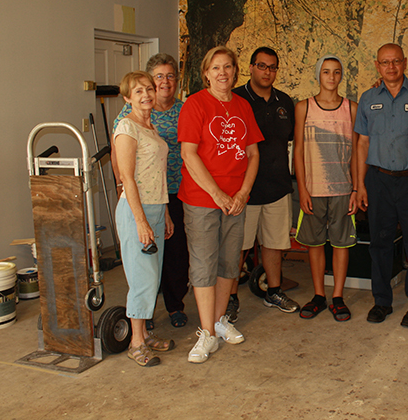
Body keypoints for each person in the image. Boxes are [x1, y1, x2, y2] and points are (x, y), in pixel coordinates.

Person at [178, 46, 263, 363]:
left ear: (235, 71)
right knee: (203, 264)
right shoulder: (195, 104)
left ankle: (219, 320)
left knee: (229, 263)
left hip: (236, 200)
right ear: (206, 73)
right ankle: (206, 334)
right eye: (215, 67)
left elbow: (253, 154)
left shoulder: (243, 106)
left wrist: (241, 194)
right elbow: (189, 154)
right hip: (203, 199)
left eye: (227, 67)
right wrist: (218, 195)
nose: (222, 73)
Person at [354, 43, 408, 328]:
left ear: (404, 62)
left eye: (396, 61)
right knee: (379, 243)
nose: (391, 67)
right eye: (384, 62)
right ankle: (382, 301)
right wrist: (359, 185)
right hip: (377, 181)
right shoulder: (367, 99)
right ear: (377, 66)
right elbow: (362, 143)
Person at [112, 53, 189, 330]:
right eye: (158, 77)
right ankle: (140, 329)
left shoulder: (170, 117)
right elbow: (122, 162)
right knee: (143, 268)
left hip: (170, 196)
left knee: (169, 259)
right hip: (141, 200)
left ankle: (170, 309)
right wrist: (123, 187)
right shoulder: (129, 119)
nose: (163, 82)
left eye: (170, 76)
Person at [229, 46, 299, 315]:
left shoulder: (284, 101)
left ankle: (274, 292)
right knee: (238, 247)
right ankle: (231, 296)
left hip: (278, 186)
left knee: (274, 243)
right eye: (262, 66)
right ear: (250, 67)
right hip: (243, 190)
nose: (267, 72)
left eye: (272, 67)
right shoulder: (236, 99)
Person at [114, 70, 175, 366]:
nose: (146, 95)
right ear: (127, 97)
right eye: (138, 91)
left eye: (149, 89)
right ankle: (136, 342)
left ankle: (146, 334)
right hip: (135, 210)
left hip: (155, 208)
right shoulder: (126, 127)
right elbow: (127, 176)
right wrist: (140, 220)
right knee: (141, 278)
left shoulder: (151, 128)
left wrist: (163, 213)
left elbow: (156, 175)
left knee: (153, 276)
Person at [293, 54, 358, 321]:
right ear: (318, 75)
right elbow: (298, 150)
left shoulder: (351, 108)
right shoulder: (303, 107)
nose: (331, 77)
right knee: (315, 243)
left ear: (342, 76)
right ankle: (319, 294)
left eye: (336, 72)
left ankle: (338, 296)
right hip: (314, 188)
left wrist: (355, 189)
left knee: (341, 244)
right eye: (326, 72)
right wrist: (303, 189)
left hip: (343, 189)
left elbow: (356, 151)